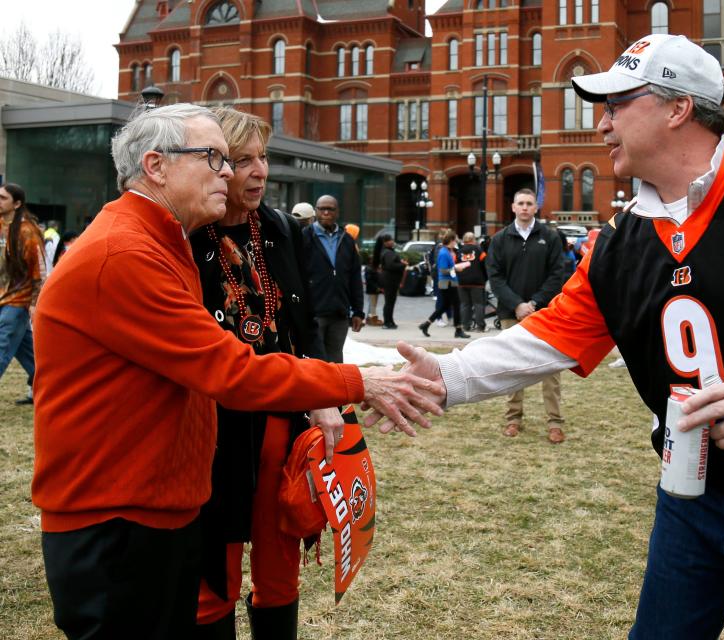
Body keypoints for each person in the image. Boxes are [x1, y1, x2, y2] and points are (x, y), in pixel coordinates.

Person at [375, 34, 724, 639]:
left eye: (618, 103)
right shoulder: (621, 236)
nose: (602, 121)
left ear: (678, 108)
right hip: (688, 497)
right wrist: (450, 375)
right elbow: (553, 334)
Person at [31, 103, 442, 640]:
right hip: (119, 519)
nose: (233, 173)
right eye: (216, 158)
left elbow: (277, 332)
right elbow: (229, 370)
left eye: (243, 159)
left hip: (158, 507)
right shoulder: (126, 253)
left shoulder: (166, 237)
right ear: (156, 165)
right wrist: (358, 381)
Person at [188, 107, 337, 638]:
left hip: (281, 424)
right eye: (243, 160)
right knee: (214, 575)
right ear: (215, 166)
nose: (259, 172)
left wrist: (323, 393)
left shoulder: (283, 231)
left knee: (279, 568)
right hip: (214, 433)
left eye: (263, 158)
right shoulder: (185, 237)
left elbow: (308, 329)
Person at [486, 188, 566, 444]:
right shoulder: (500, 239)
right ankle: (513, 419)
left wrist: (534, 302)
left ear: (535, 207)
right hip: (511, 313)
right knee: (513, 368)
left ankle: (555, 423)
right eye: (520, 203)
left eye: (529, 203)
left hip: (545, 313)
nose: (524, 207)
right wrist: (517, 304)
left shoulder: (550, 237)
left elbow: (558, 274)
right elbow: (495, 278)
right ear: (513, 207)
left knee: (551, 370)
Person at [302, 194, 365, 363]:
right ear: (316, 211)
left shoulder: (347, 241)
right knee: (315, 360)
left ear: (337, 212)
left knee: (336, 359)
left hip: (340, 313)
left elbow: (355, 277)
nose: (326, 212)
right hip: (314, 312)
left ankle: (336, 389)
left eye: (330, 209)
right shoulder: (305, 237)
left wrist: (358, 311)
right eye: (322, 209)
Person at [0, 183, 45, 407]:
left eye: (2, 198)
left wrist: (35, 302)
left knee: (2, 346)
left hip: (18, 302)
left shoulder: (27, 232)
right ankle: (45, 384)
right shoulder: (1, 226)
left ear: (16, 204)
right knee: (26, 351)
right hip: (4, 297)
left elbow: (40, 272)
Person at [418, 230, 470, 339]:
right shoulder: (443, 252)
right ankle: (458, 330)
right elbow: (442, 270)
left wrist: (456, 269)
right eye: (454, 240)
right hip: (448, 282)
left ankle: (426, 324)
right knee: (455, 305)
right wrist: (456, 268)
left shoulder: (445, 251)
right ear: (451, 240)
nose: (455, 242)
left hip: (448, 282)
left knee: (444, 306)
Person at [457, 231, 487, 333]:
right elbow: (485, 265)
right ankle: (480, 326)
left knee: (465, 304)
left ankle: (465, 326)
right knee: (478, 304)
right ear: (473, 240)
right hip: (477, 281)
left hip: (462, 281)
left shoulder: (459, 251)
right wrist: (485, 278)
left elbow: (455, 266)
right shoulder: (479, 251)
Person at [378, 233, 406, 330]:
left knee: (391, 301)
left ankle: (390, 321)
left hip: (390, 280)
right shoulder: (388, 252)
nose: (392, 241)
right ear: (385, 242)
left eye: (392, 240)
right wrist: (402, 265)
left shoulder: (387, 251)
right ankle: (387, 322)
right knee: (389, 302)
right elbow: (391, 265)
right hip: (389, 280)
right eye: (390, 240)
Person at [366, 234, 385, 326]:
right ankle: (372, 319)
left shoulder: (372, 268)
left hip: (374, 289)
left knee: (372, 304)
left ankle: (370, 318)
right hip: (372, 289)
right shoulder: (370, 269)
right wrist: (378, 288)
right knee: (372, 304)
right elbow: (370, 280)